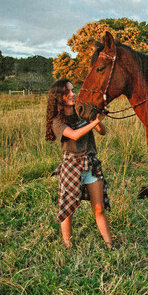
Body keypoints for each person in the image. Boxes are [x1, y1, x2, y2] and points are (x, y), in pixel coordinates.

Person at [45, 79, 115, 249]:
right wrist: (95, 122)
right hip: (71, 166)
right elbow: (74, 135)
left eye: (72, 90)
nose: (72, 94)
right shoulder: (57, 121)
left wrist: (97, 119)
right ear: (58, 97)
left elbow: (103, 132)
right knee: (68, 210)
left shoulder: (82, 112)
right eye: (67, 92)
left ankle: (110, 245)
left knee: (98, 209)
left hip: (91, 165)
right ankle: (68, 246)